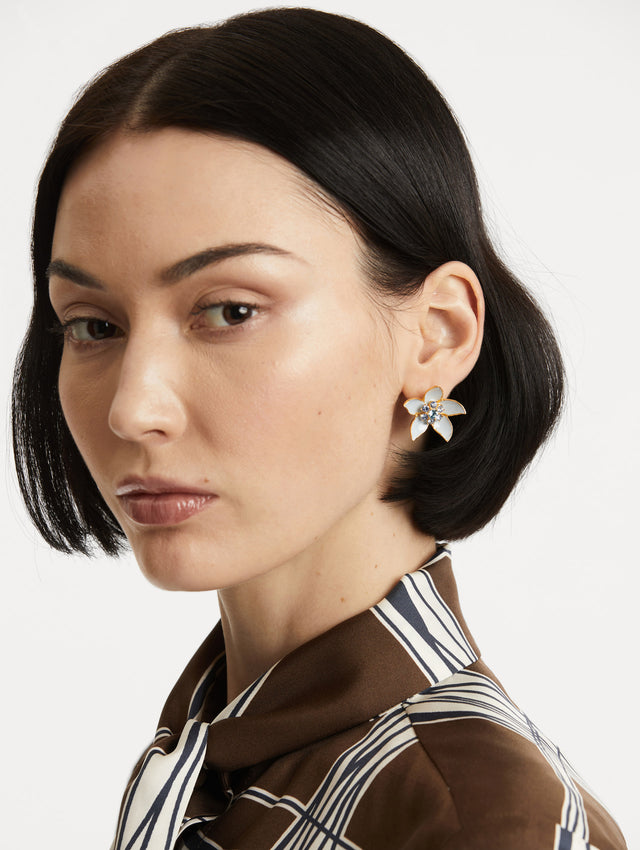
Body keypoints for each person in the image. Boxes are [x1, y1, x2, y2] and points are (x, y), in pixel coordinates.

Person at [11, 7, 627, 849]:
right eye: (93, 325)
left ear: (437, 336)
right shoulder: (213, 750)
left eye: (230, 310)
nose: (133, 407)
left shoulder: (478, 821)